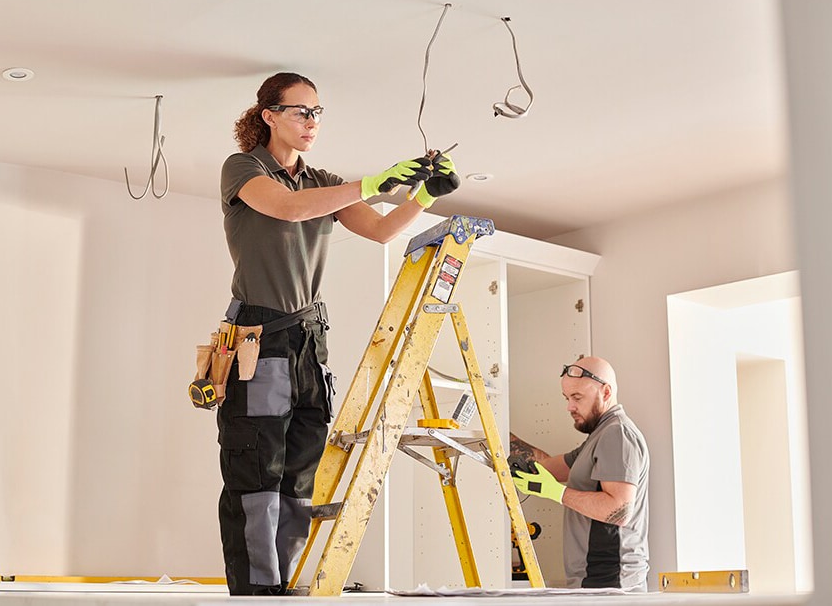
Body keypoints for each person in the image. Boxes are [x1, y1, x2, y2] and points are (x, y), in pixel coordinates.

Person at [217, 72, 460, 596]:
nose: (312, 122)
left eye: (318, 113)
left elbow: (378, 230)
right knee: (256, 472)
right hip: (259, 340)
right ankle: (257, 591)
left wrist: (423, 196)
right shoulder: (244, 168)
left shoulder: (321, 179)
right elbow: (287, 208)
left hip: (308, 342)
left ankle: (283, 583)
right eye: (302, 111)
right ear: (269, 116)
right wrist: (373, 183)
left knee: (299, 477)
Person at [510, 356, 649, 592]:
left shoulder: (617, 434)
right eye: (566, 398)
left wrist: (556, 493)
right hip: (595, 580)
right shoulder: (599, 436)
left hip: (611, 582)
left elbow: (620, 511)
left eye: (577, 398)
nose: (569, 407)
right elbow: (546, 466)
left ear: (605, 392)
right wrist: (497, 434)